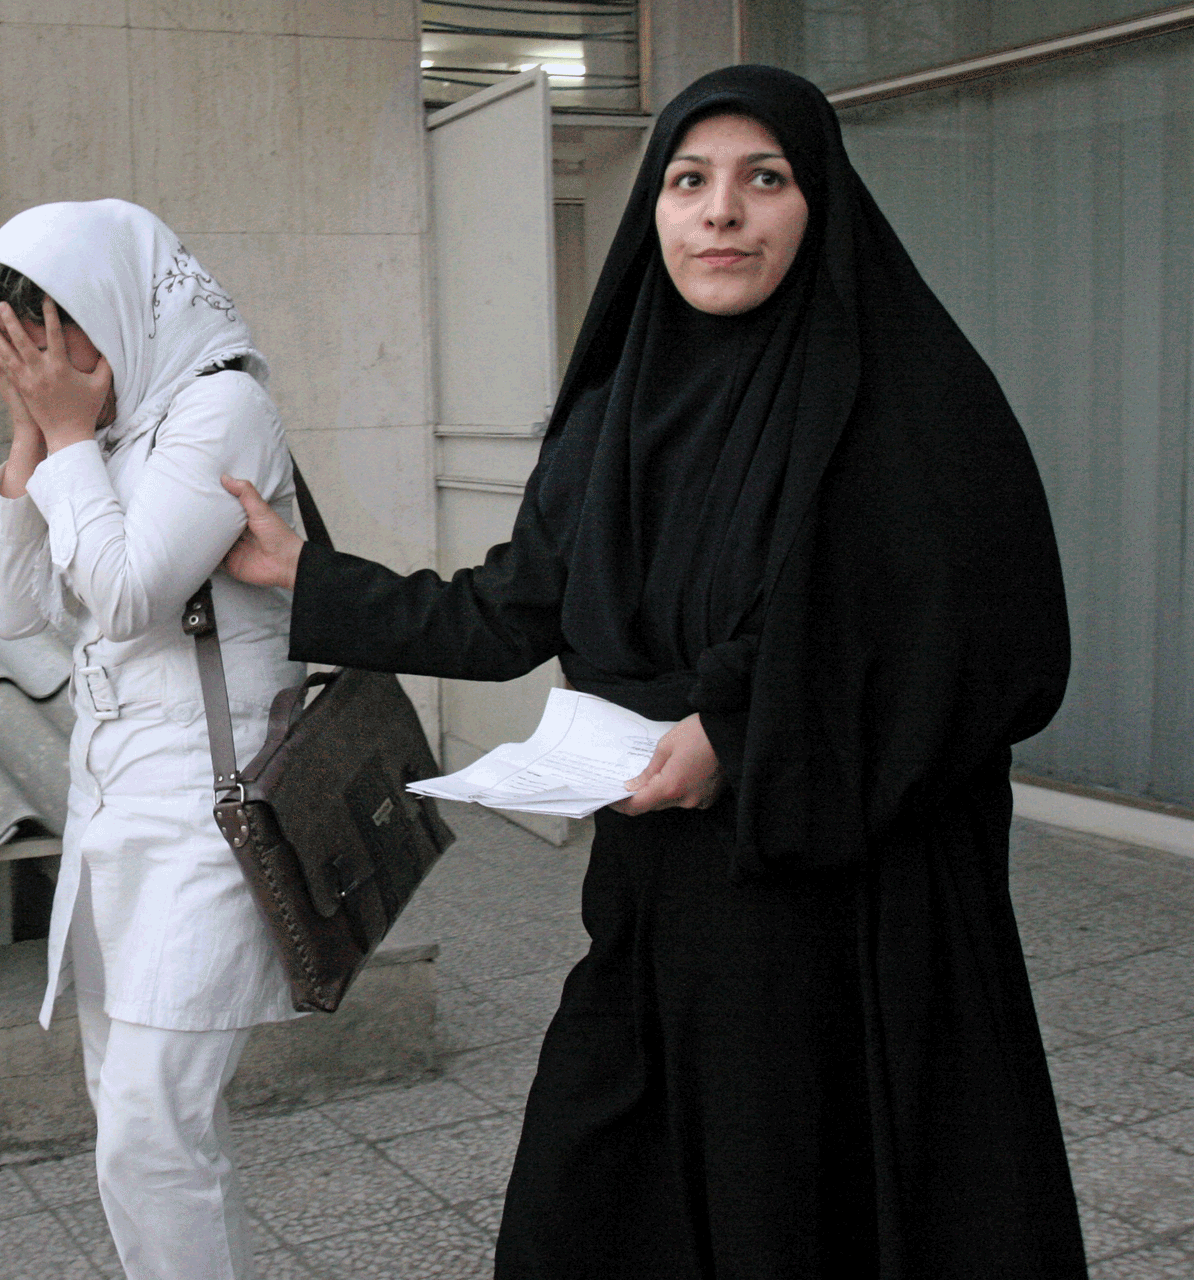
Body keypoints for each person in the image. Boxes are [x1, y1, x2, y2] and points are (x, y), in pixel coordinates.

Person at [221, 66, 1085, 1279]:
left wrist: (735, 722)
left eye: (763, 180)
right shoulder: (615, 415)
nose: (721, 212)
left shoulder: (911, 396)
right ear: (658, 212)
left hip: (845, 923)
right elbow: (509, 609)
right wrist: (313, 577)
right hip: (659, 906)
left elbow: (985, 636)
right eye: (690, 181)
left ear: (817, 202)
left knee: (805, 1203)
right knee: (593, 1201)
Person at [0, 199, 300, 1280]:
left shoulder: (222, 406)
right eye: (31, 348)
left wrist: (66, 439)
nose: (57, 363)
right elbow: (12, 604)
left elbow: (124, 593)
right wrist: (33, 434)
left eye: (64, 334)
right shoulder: (101, 425)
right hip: (116, 799)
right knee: (132, 1115)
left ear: (114, 308)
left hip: (215, 798)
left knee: (155, 1124)